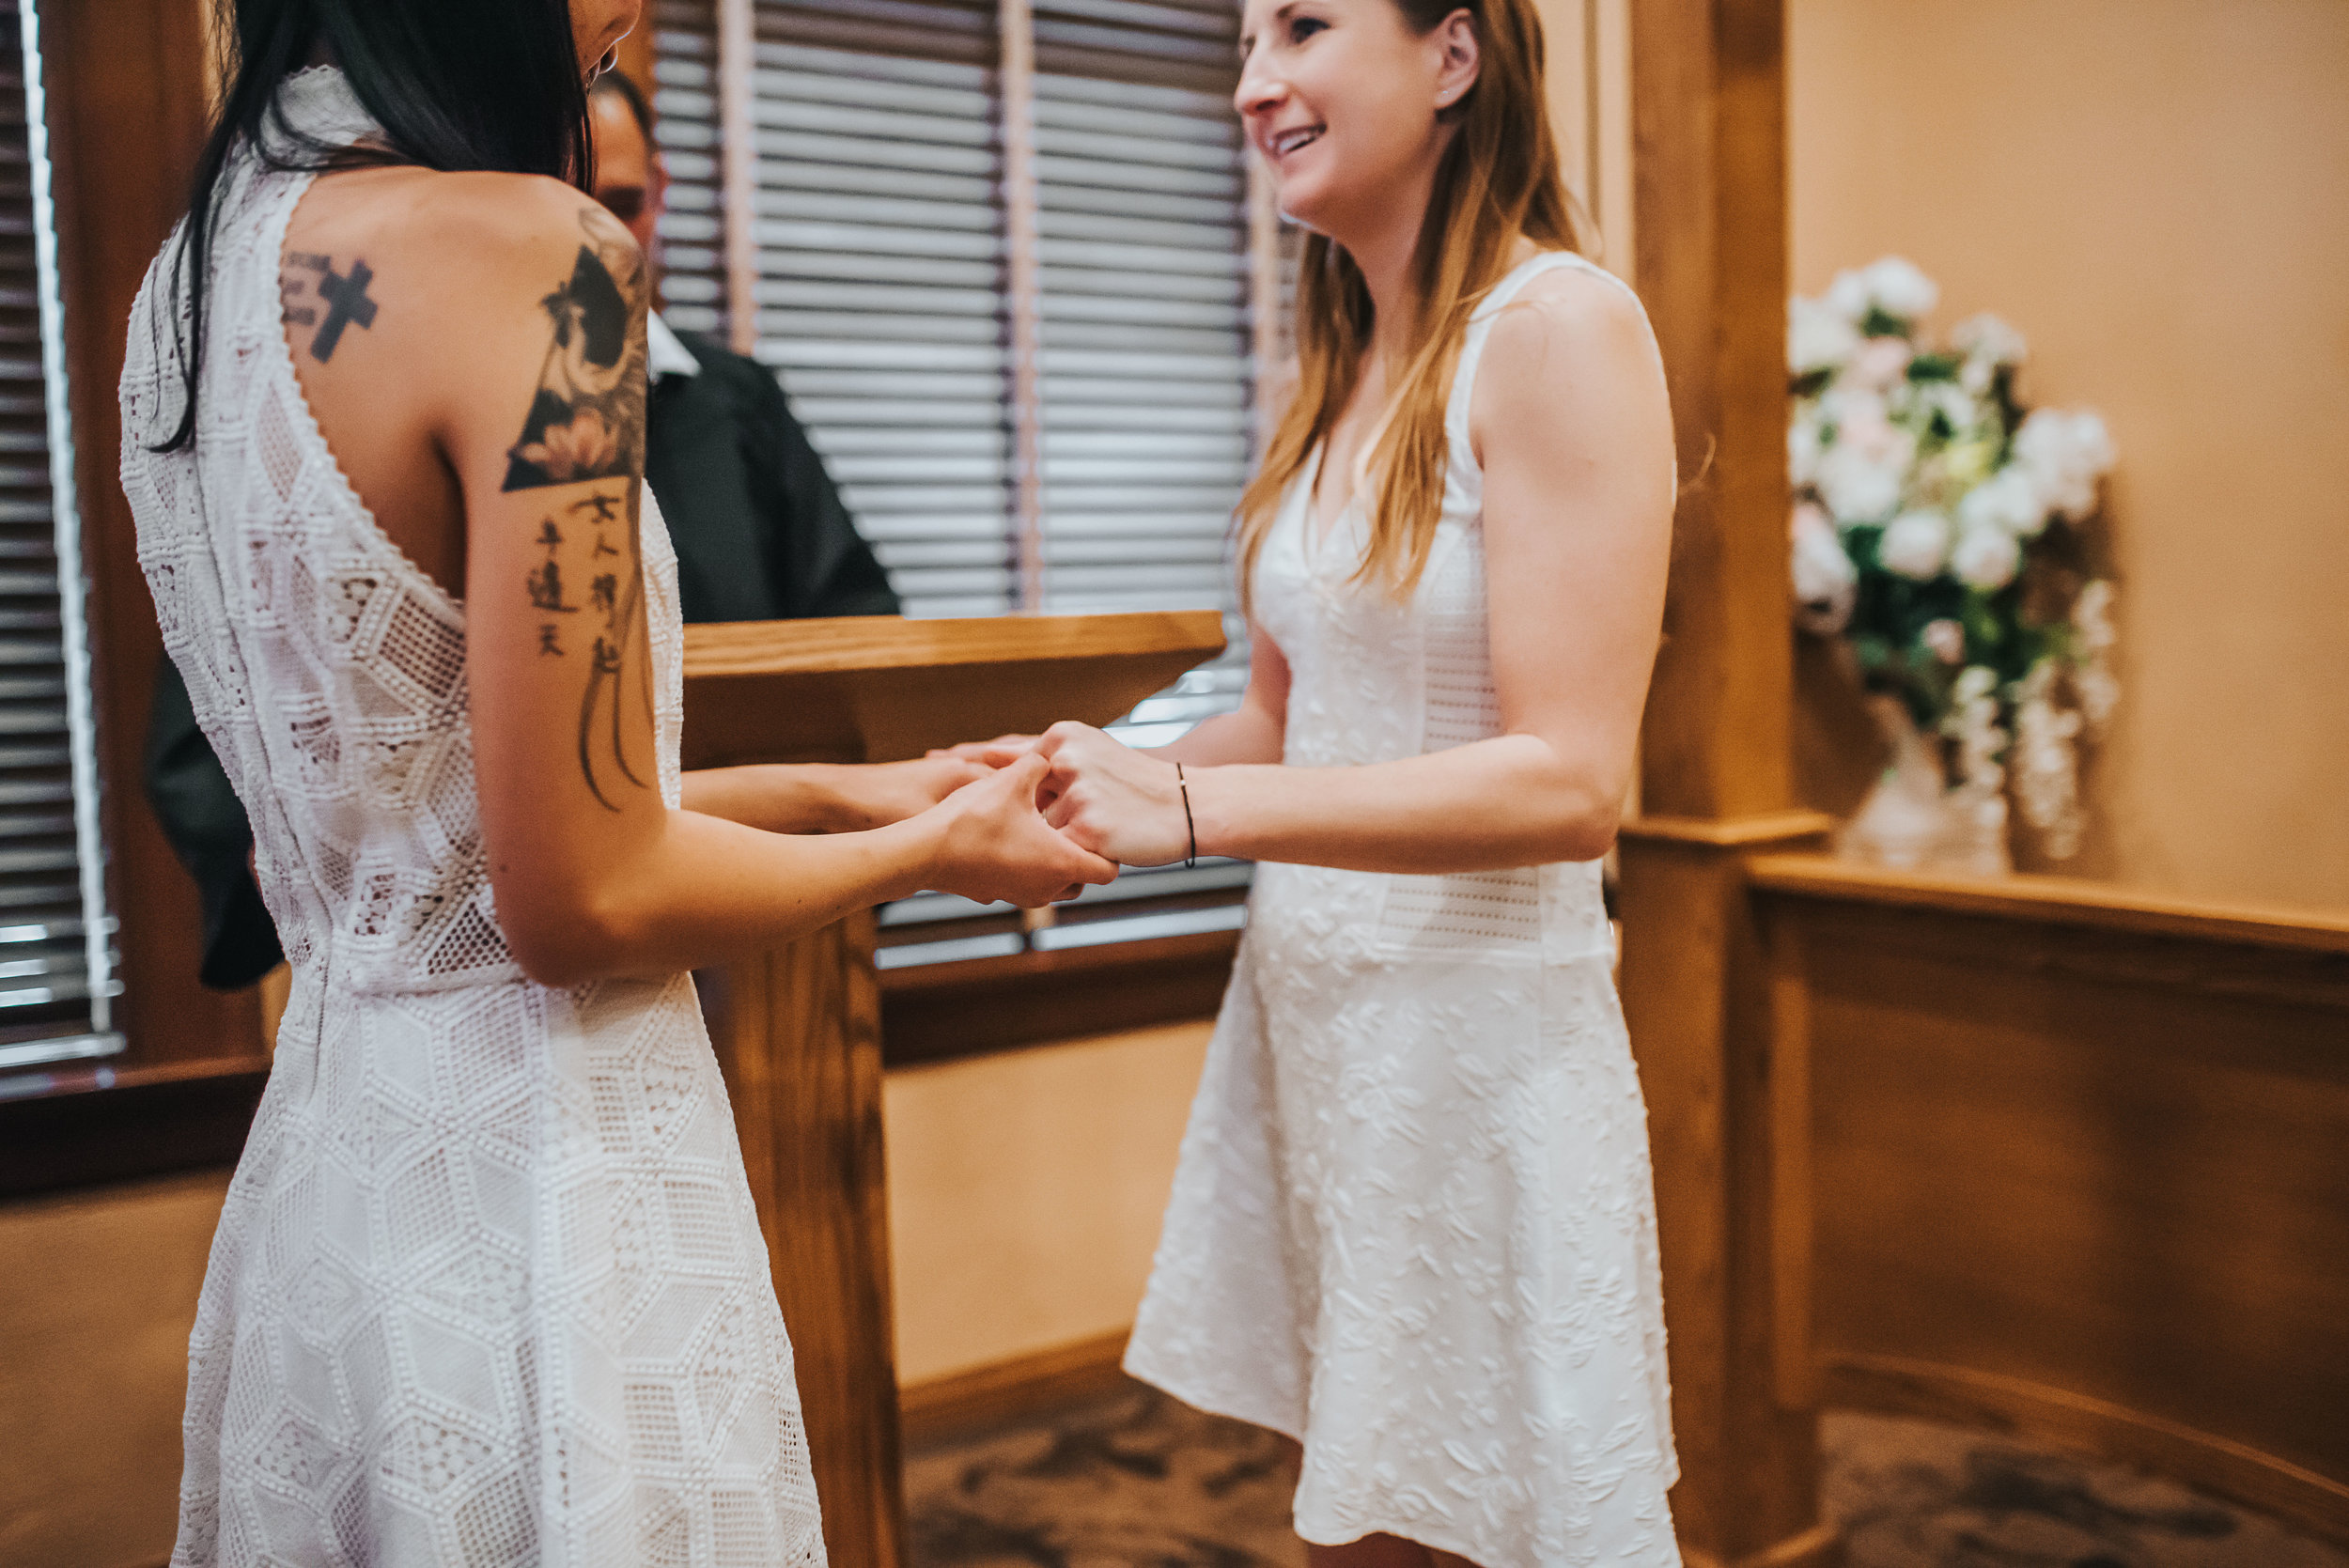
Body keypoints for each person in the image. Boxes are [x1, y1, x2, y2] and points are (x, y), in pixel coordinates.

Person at [117, 3, 1114, 1564]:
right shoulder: (533, 252)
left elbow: (473, 822)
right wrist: (934, 844)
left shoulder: (192, 285)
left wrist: (870, 789)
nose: (634, 10)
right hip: (554, 1172)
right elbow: (586, 899)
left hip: (342, 1160)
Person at [957, 0, 1682, 1559]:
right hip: (1325, 1021)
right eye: (1239, 43)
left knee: (1495, 1512)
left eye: (1299, 24)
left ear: (1454, 55)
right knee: (1359, 1509)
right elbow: (1292, 721)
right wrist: (1069, 778)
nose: (1252, 84)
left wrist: (1193, 816)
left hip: (1475, 1049)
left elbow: (1571, 780)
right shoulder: (1345, 363)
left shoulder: (1560, 328)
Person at [144, 64, 901, 992]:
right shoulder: (316, 394)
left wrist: (870, 803)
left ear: (661, 196)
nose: (602, 239)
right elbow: (229, 701)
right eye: (575, 205)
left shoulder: (737, 403)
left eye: (625, 204)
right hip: (468, 974)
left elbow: (861, 632)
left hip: (763, 924)